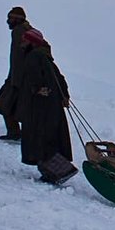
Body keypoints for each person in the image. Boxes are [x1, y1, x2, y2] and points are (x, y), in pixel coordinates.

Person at [14, 25, 72, 180]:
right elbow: (60, 78)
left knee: (39, 138)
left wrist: (38, 88)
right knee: (49, 138)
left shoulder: (33, 56)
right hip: (51, 104)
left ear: (31, 42)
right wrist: (64, 96)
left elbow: (34, 75)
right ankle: (59, 170)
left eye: (24, 40)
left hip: (39, 106)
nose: (22, 43)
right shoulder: (45, 57)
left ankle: (55, 172)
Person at [0, 7, 31, 141]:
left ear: (17, 19)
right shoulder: (25, 30)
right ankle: (16, 132)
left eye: (10, 18)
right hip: (19, 77)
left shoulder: (19, 31)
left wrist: (15, 81)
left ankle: (15, 133)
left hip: (17, 78)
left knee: (3, 103)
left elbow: (18, 58)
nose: (8, 21)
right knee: (11, 105)